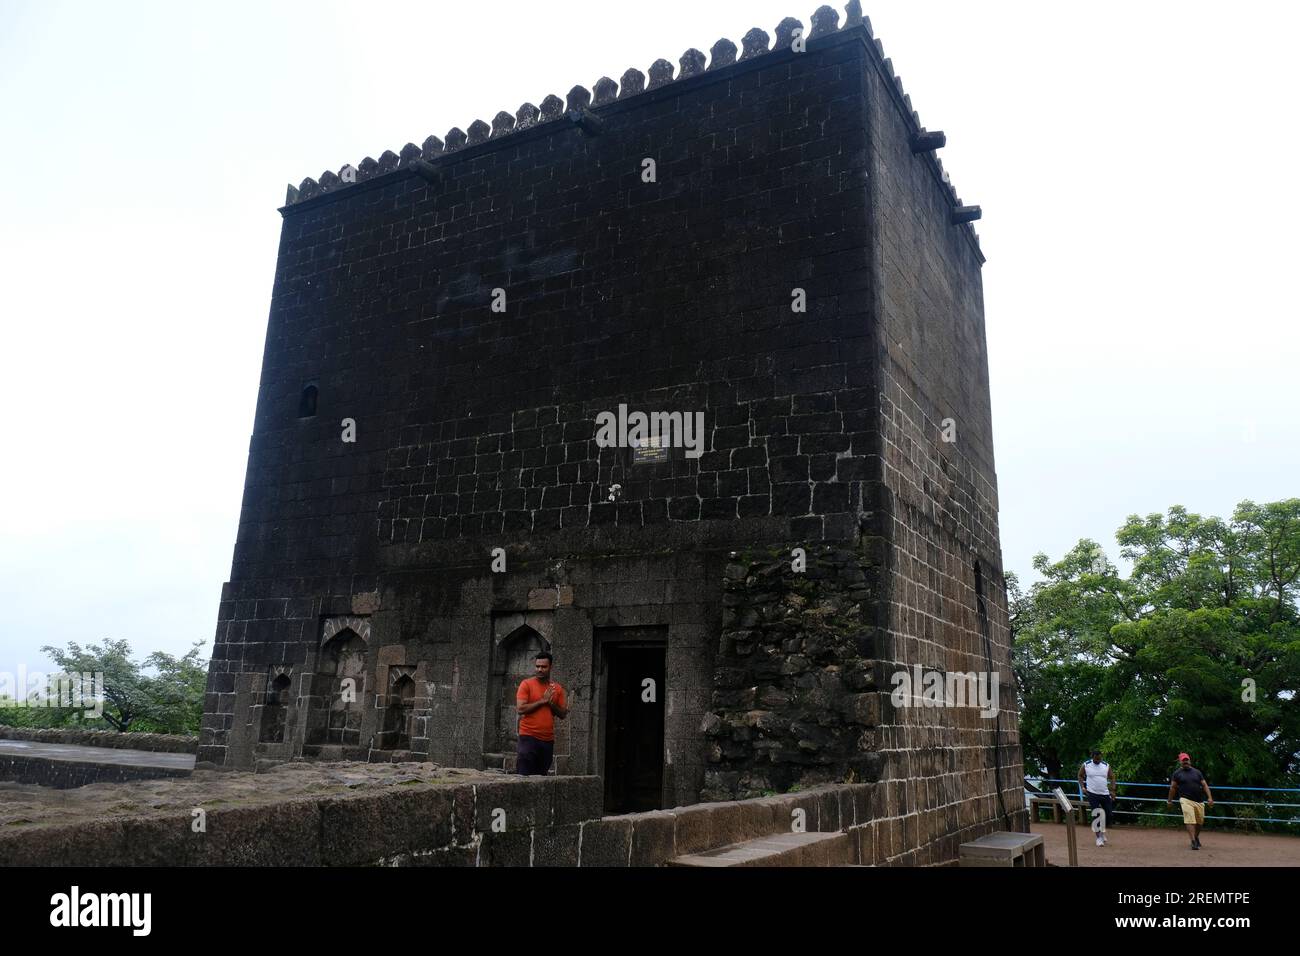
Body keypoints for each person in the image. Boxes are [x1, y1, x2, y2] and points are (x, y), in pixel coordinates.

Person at [515, 651, 568, 776]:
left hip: (547, 740)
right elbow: (520, 709)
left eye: (543, 667)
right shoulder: (526, 684)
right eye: (537, 666)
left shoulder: (557, 688)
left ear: (550, 667)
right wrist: (541, 701)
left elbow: (562, 714)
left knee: (541, 778)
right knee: (524, 775)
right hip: (528, 737)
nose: (539, 669)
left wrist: (550, 703)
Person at [1166, 752, 1213, 850]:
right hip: (1185, 800)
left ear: (1190, 760)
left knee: (1200, 822)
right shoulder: (1177, 773)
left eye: (1186, 760)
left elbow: (1204, 785)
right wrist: (1169, 801)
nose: (1185, 762)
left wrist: (1209, 797)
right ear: (1180, 762)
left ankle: (1196, 837)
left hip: (1199, 801)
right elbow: (1173, 788)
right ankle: (1193, 842)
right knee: (1189, 819)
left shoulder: (1197, 772)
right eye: (1183, 760)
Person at [1078, 748, 1117, 846]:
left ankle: (1102, 832)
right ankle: (1098, 837)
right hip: (1092, 793)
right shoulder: (1086, 765)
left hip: (1104, 793)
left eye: (1099, 759)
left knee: (1108, 814)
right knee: (1096, 814)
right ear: (1092, 757)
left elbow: (1112, 777)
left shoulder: (1106, 766)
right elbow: (1080, 775)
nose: (1098, 761)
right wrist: (1082, 787)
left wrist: (1112, 790)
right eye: (1096, 759)